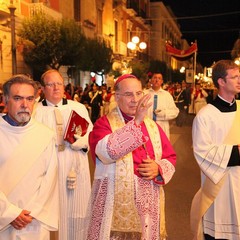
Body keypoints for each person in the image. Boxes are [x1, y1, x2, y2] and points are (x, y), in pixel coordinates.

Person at [86, 74, 176, 240]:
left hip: (148, 203)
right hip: (114, 204)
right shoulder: (104, 124)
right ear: (117, 97)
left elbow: (170, 157)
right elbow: (107, 153)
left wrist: (158, 168)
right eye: (128, 94)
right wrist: (137, 121)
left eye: (138, 93)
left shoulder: (153, 126)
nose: (135, 100)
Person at [34, 69, 93, 240]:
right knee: (52, 212)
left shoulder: (78, 108)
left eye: (59, 83)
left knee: (76, 210)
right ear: (43, 89)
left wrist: (81, 142)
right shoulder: (36, 112)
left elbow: (91, 134)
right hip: (48, 170)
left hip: (75, 168)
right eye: (50, 84)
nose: (56, 88)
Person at [0, 74, 58, 240]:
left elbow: (50, 182)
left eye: (30, 99)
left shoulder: (45, 135)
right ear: (5, 99)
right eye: (18, 98)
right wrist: (9, 213)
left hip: (33, 221)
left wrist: (31, 213)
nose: (25, 105)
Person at [190, 60, 240, 240]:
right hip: (220, 190)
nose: (239, 80)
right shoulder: (205, 116)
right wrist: (236, 153)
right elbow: (203, 152)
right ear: (221, 81)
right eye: (235, 77)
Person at [144, 72, 179, 139]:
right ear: (151, 80)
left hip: (162, 127)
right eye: (155, 78)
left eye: (159, 78)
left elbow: (175, 112)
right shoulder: (144, 93)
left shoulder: (167, 95)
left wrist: (163, 114)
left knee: (162, 147)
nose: (157, 80)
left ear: (162, 81)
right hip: (147, 127)